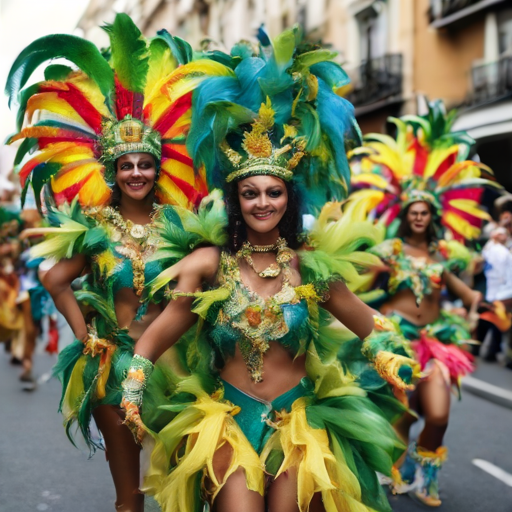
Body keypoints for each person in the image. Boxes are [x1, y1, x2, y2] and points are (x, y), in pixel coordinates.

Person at [119, 29, 418, 512]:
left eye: (273, 192)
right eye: (250, 193)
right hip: (227, 419)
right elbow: (155, 336)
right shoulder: (209, 265)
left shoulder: (311, 267)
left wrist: (391, 358)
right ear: (236, 200)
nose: (263, 202)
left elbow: (369, 322)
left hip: (299, 419)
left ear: (288, 198)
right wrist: (132, 390)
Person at [7, 14, 232, 511]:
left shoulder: (181, 224)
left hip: (180, 365)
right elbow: (53, 278)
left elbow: (214, 278)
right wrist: (84, 333)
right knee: (129, 497)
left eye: (144, 163)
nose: (136, 172)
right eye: (126, 164)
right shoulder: (96, 229)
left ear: (158, 168)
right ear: (111, 170)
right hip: (116, 365)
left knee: (197, 487)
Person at [348, 100, 500, 506]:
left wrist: (478, 305)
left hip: (435, 342)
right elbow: (357, 282)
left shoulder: (439, 256)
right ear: (405, 215)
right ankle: (396, 470)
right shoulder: (390, 250)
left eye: (424, 212)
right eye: (413, 211)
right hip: (396, 340)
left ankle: (422, 467)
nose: (418, 217)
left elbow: (467, 293)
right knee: (401, 414)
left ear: (432, 217)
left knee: (438, 414)